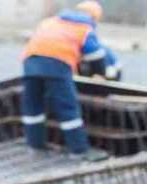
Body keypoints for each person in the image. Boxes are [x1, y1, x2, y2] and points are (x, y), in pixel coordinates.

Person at [21, 0, 114, 162]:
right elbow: (97, 56)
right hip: (57, 64)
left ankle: (35, 146)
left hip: (30, 62)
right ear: (94, 18)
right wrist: (98, 75)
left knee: (33, 107)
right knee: (68, 107)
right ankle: (79, 150)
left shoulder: (50, 21)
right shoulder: (84, 28)